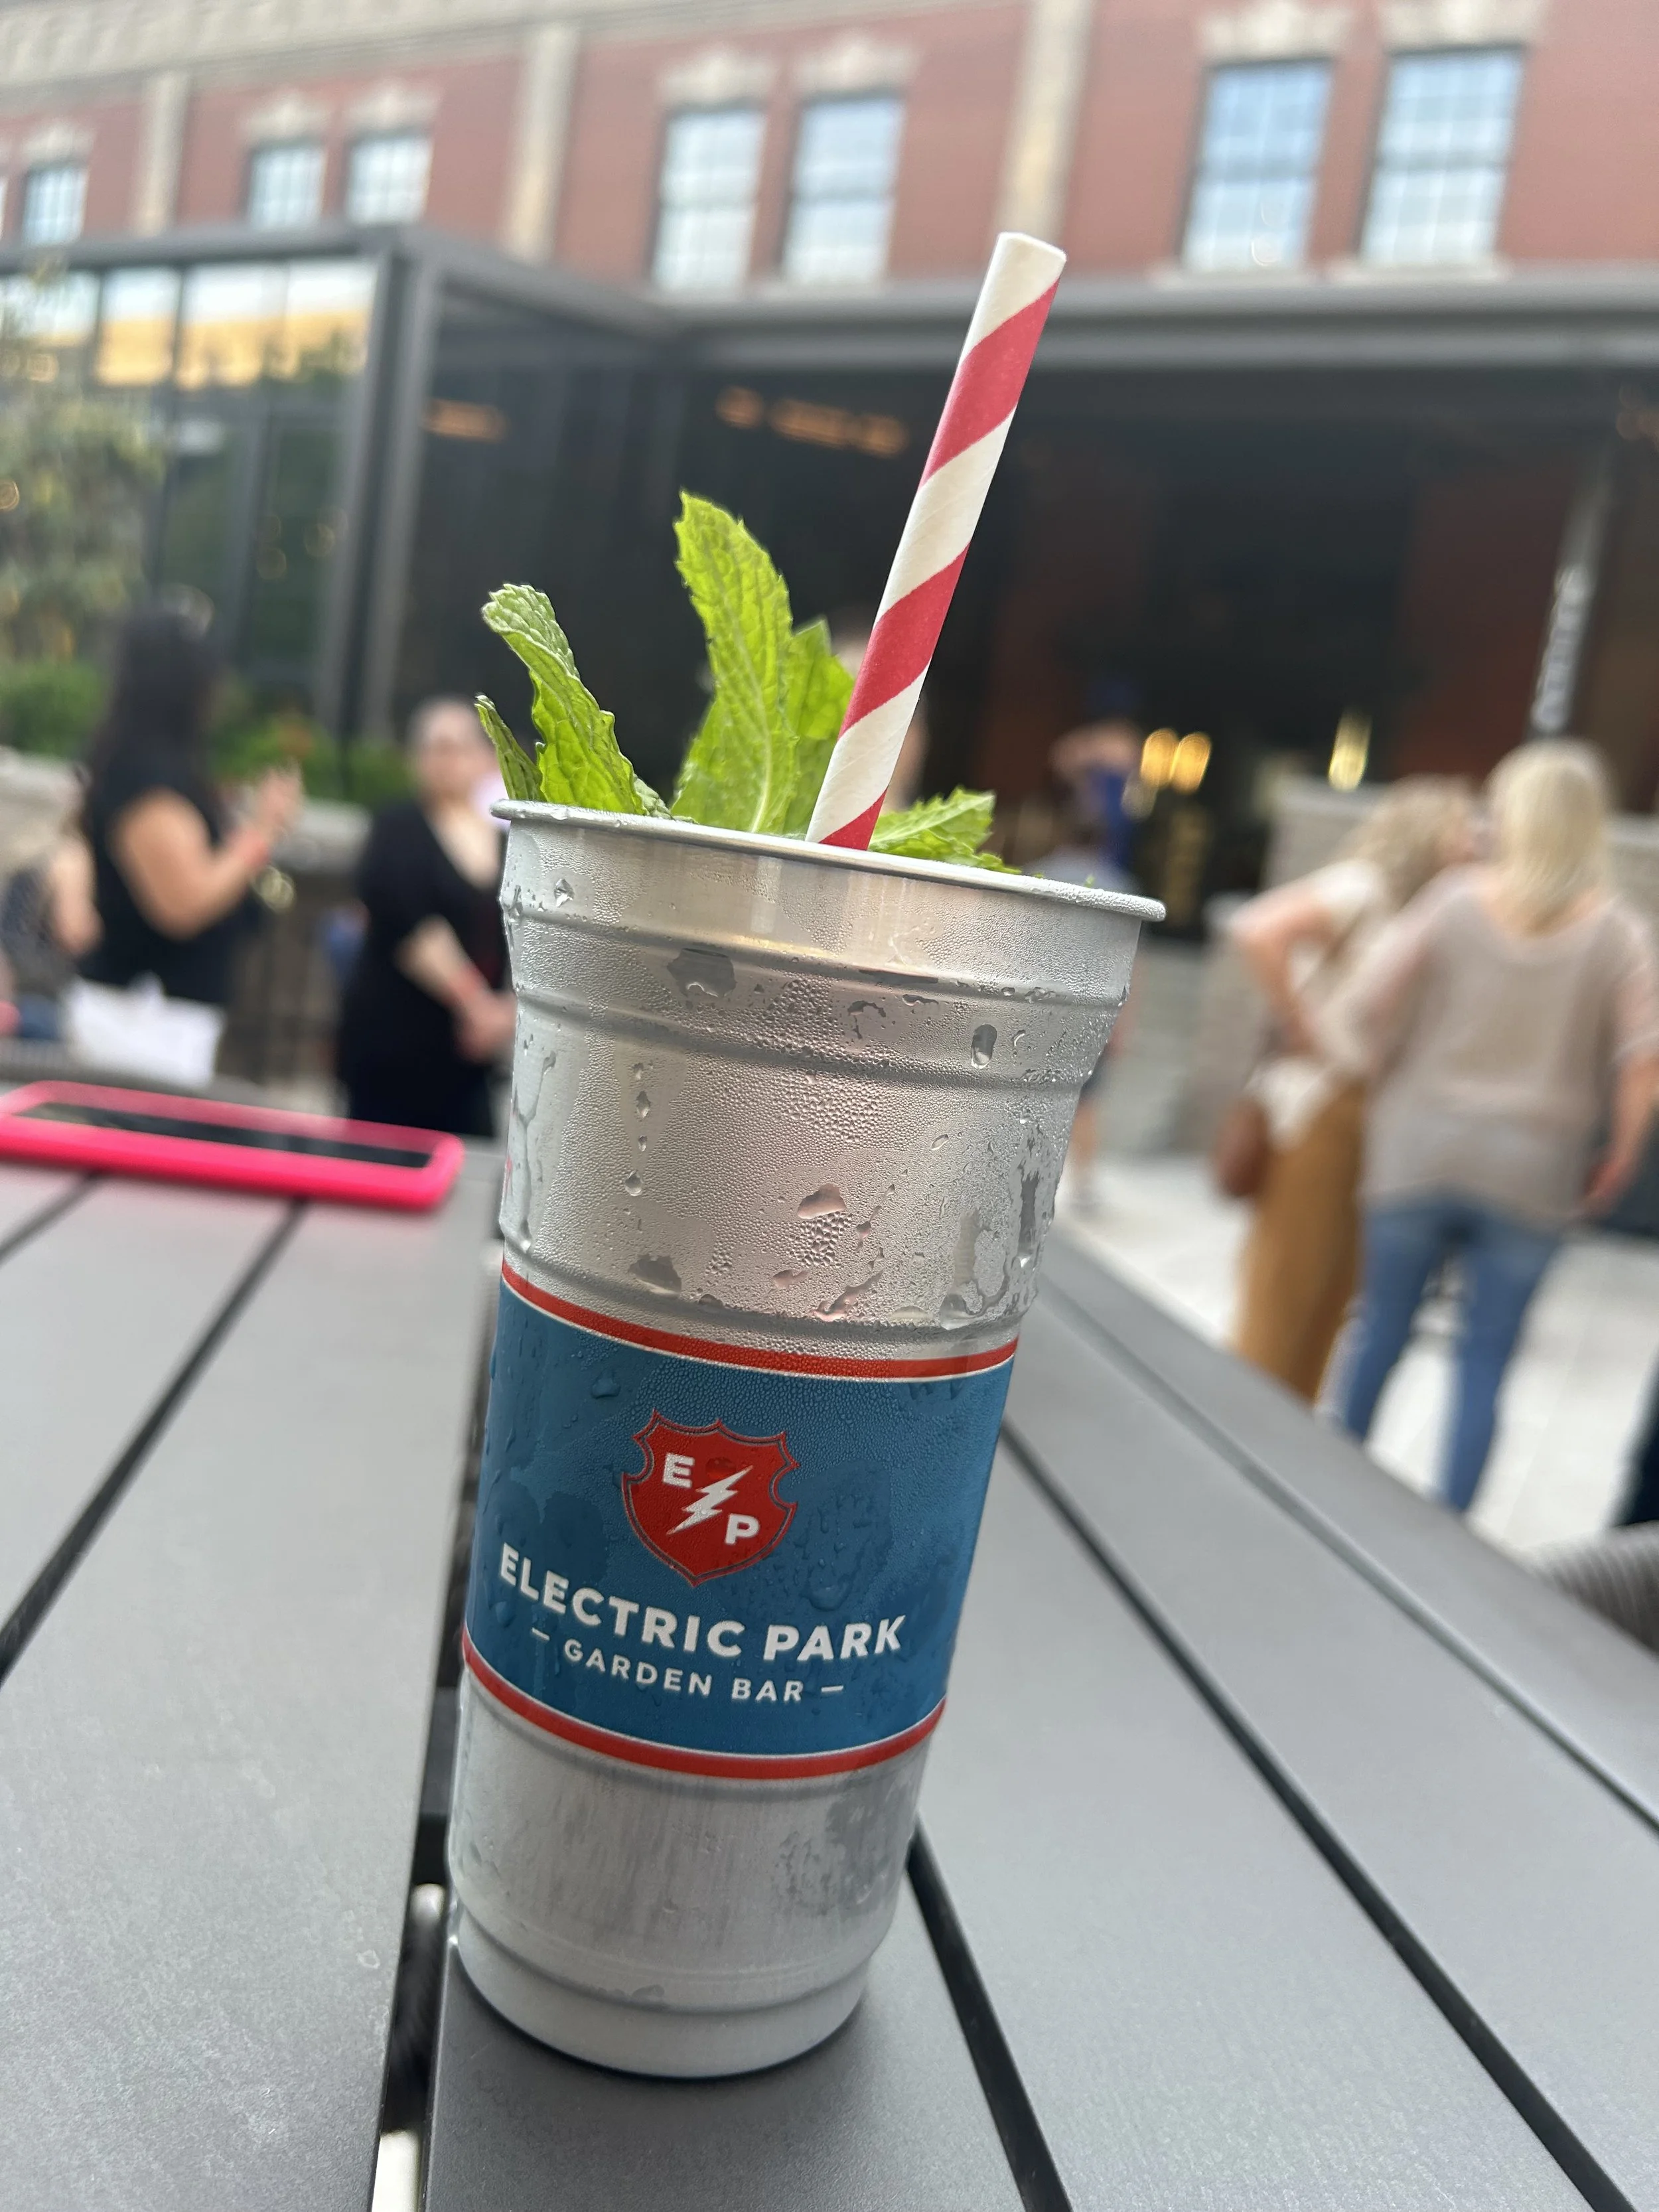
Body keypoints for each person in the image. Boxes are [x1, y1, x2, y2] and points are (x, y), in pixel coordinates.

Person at [1330, 741, 1659, 1513]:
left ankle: (1332, 1493)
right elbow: (1642, 1062)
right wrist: (1620, 1156)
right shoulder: (1617, 932)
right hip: (1535, 1168)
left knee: (1379, 1330)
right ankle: (1450, 1532)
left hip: (1418, 1141)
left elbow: (1373, 997)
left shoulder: (1452, 899)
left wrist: (1389, 1074)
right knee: (1486, 1358)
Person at [1227, 778, 1474, 1401]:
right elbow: (1259, 928)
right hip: (1324, 1102)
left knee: (1333, 1293)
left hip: (1369, 1108)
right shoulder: (1364, 885)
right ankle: (1242, 1428)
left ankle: (1282, 1429)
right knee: (1288, 1286)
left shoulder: (1423, 906)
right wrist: (1304, 1025)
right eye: (1462, 825)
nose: (1475, 840)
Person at [78, 609, 301, 1014]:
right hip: (145, 1016)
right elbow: (183, 904)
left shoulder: (144, 764)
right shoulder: (148, 778)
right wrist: (262, 831)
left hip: (159, 1010)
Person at [337, 698, 513, 1136]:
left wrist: (505, 1015)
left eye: (458, 747)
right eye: (436, 748)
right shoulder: (397, 828)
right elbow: (409, 924)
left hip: (469, 1059)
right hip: (397, 1043)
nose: (447, 760)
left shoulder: (506, 841)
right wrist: (476, 1005)